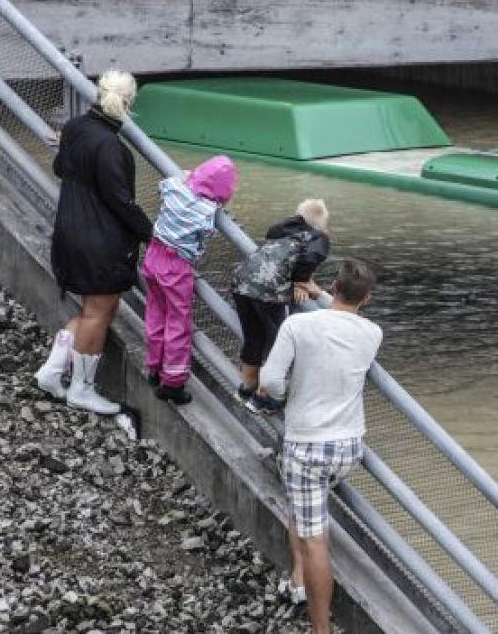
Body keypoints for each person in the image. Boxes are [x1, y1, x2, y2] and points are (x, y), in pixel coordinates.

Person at [257, 258, 380, 631]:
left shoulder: (298, 325)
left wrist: (277, 398)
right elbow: (343, 316)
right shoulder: (372, 333)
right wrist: (321, 294)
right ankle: (297, 581)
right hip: (348, 446)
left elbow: (271, 381)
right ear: (368, 298)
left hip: (307, 445)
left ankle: (320, 628)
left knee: (315, 542)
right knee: (304, 511)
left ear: (334, 287)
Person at [32, 70, 150, 433]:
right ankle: (82, 389)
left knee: (92, 309)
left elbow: (60, 167)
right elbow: (120, 201)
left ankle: (52, 373)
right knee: (100, 312)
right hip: (99, 241)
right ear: (129, 102)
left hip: (70, 231)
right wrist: (153, 233)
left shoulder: (75, 128)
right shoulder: (111, 147)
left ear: (98, 94)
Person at [143, 155, 238, 405]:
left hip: (153, 254)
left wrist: (188, 177)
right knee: (177, 322)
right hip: (175, 267)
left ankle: (154, 367)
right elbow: (206, 233)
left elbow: (165, 185)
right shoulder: (207, 211)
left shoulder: (174, 187)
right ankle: (172, 382)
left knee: (155, 312)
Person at [230, 198, 331, 411]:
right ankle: (263, 398)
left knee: (254, 336)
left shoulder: (281, 230)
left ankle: (247, 387)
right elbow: (312, 257)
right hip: (269, 290)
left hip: (242, 282)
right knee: (279, 344)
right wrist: (300, 281)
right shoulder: (317, 237)